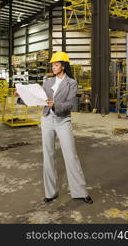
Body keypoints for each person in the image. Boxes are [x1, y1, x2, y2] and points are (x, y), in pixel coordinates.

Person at [41, 51, 93, 204]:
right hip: (47, 119)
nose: (53, 67)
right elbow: (39, 97)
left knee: (70, 155)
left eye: (56, 65)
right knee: (48, 156)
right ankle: (50, 193)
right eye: (52, 64)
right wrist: (22, 97)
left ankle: (80, 191)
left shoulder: (71, 83)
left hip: (63, 120)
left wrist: (55, 105)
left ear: (63, 66)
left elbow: (71, 104)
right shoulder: (48, 82)